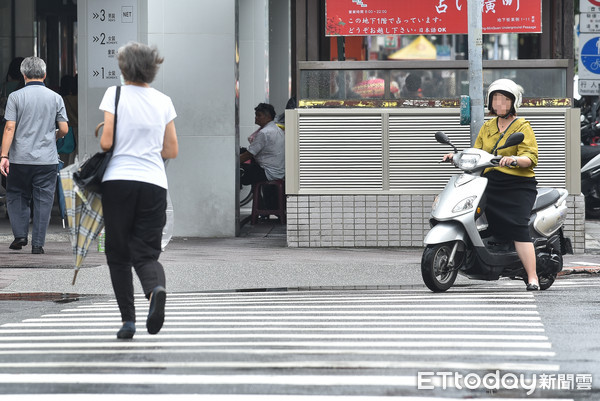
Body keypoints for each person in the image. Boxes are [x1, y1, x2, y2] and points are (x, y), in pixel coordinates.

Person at [99, 42, 178, 339]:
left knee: (118, 254)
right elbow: (171, 148)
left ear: (123, 68)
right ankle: (155, 289)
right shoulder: (163, 101)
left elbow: (106, 142)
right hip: (154, 183)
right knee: (145, 252)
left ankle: (128, 322)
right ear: (152, 68)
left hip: (118, 181)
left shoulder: (114, 94)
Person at [443, 78, 539, 291]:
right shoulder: (487, 127)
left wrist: (514, 160)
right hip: (489, 182)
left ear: (514, 102)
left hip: (517, 184)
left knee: (518, 227)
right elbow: (476, 152)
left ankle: (533, 277)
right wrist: (456, 155)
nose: (499, 104)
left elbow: (530, 157)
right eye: (496, 99)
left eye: (504, 99)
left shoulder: (522, 126)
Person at [0, 56, 69, 254]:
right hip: (46, 160)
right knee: (43, 199)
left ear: (23, 75)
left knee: (16, 194)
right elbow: (63, 129)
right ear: (45, 75)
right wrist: (52, 135)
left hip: (19, 158)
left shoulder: (16, 97)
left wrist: (4, 155)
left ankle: (20, 235)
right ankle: (38, 244)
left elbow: (9, 127)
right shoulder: (56, 98)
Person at [240, 103, 285, 185]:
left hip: (268, 172)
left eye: (259, 115)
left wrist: (233, 162)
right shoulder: (277, 129)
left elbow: (249, 154)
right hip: (279, 171)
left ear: (268, 117)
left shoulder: (265, 132)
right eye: (256, 115)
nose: (256, 118)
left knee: (241, 171)